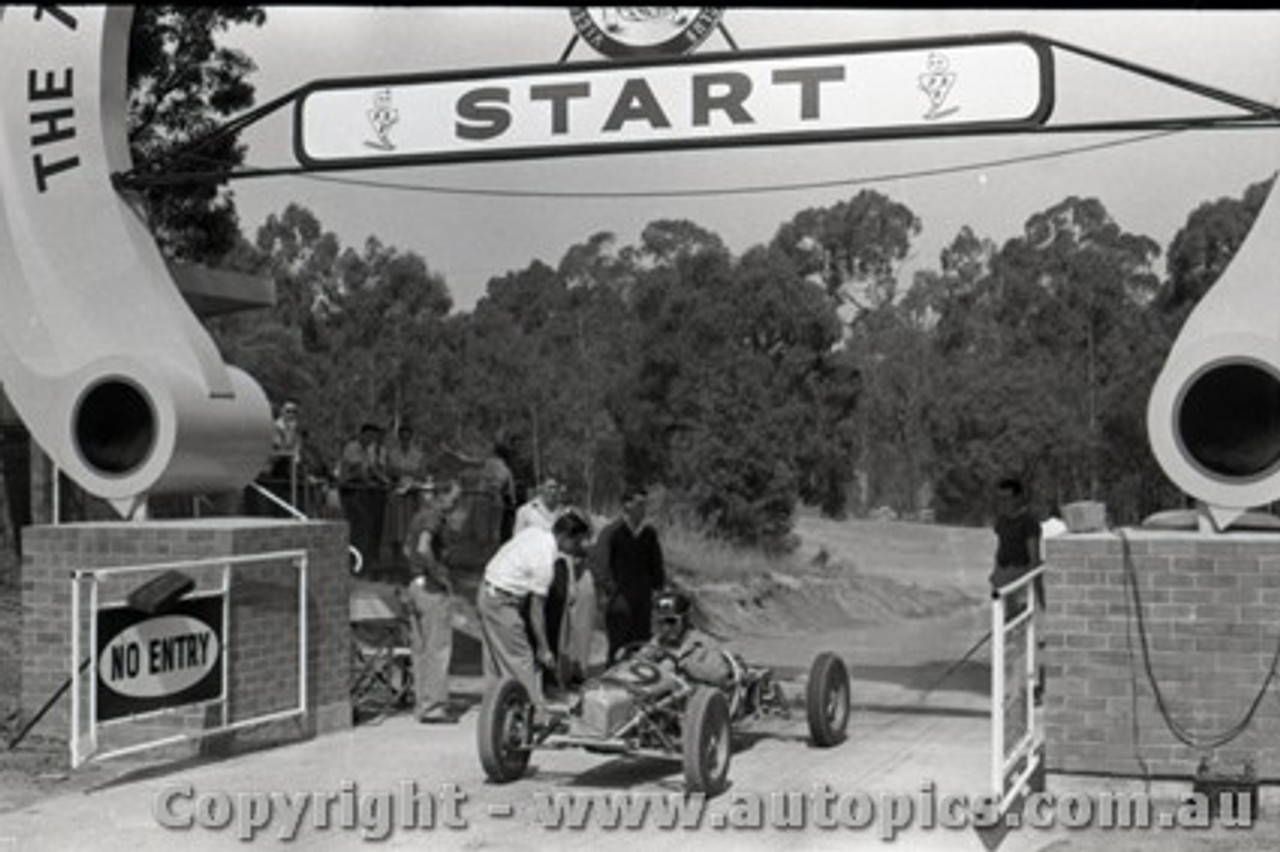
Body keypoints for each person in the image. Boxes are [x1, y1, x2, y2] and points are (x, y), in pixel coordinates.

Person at [477, 508, 593, 716]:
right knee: (521, 659)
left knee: (497, 662)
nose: (575, 548)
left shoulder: (535, 533)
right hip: (502, 600)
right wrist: (544, 648)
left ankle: (495, 714)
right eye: (575, 543)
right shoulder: (545, 562)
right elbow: (536, 611)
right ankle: (535, 715)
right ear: (564, 537)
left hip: (487, 589)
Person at [403, 480, 461, 723]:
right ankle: (434, 706)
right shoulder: (434, 517)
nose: (457, 504)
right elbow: (423, 547)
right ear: (442, 495)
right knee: (438, 648)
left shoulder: (419, 515)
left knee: (421, 649)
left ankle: (423, 702)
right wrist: (438, 573)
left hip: (414, 584)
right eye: (454, 498)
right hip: (431, 588)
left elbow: (408, 549)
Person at [595, 487, 666, 664]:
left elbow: (656, 564)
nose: (643, 509)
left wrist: (658, 588)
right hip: (619, 600)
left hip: (643, 598)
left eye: (645, 505)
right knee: (618, 648)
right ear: (626, 505)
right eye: (639, 504)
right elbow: (600, 566)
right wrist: (612, 592)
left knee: (641, 646)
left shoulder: (649, 534)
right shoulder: (611, 532)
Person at [631, 590, 734, 689]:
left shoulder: (702, 643)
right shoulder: (660, 640)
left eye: (671, 621)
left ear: (685, 620)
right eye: (661, 622)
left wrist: (683, 663)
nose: (666, 627)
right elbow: (639, 659)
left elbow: (720, 675)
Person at [989, 476, 1044, 614]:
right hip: (1002, 577)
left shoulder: (1029, 522)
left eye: (1007, 499)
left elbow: (1034, 558)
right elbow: (1001, 547)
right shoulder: (1001, 520)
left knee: (1020, 620)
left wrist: (1038, 591)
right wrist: (996, 574)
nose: (1003, 503)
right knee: (1002, 620)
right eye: (1000, 499)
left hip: (1020, 577)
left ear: (1018, 498)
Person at [339, 423, 390, 568]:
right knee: (355, 527)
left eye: (373, 437)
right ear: (362, 434)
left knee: (364, 527)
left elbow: (372, 469)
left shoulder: (367, 450)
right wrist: (370, 482)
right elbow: (358, 470)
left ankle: (364, 559)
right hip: (351, 490)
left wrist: (385, 481)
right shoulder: (353, 447)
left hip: (363, 492)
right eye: (369, 436)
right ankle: (352, 559)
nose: (371, 439)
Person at [386, 424, 428, 568]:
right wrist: (404, 473)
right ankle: (395, 558)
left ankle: (410, 557)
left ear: (411, 437)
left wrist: (406, 473)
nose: (405, 439)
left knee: (411, 526)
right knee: (396, 527)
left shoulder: (418, 454)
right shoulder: (392, 453)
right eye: (402, 437)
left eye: (407, 437)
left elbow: (422, 474)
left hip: (412, 494)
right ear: (399, 437)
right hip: (397, 494)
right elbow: (389, 472)